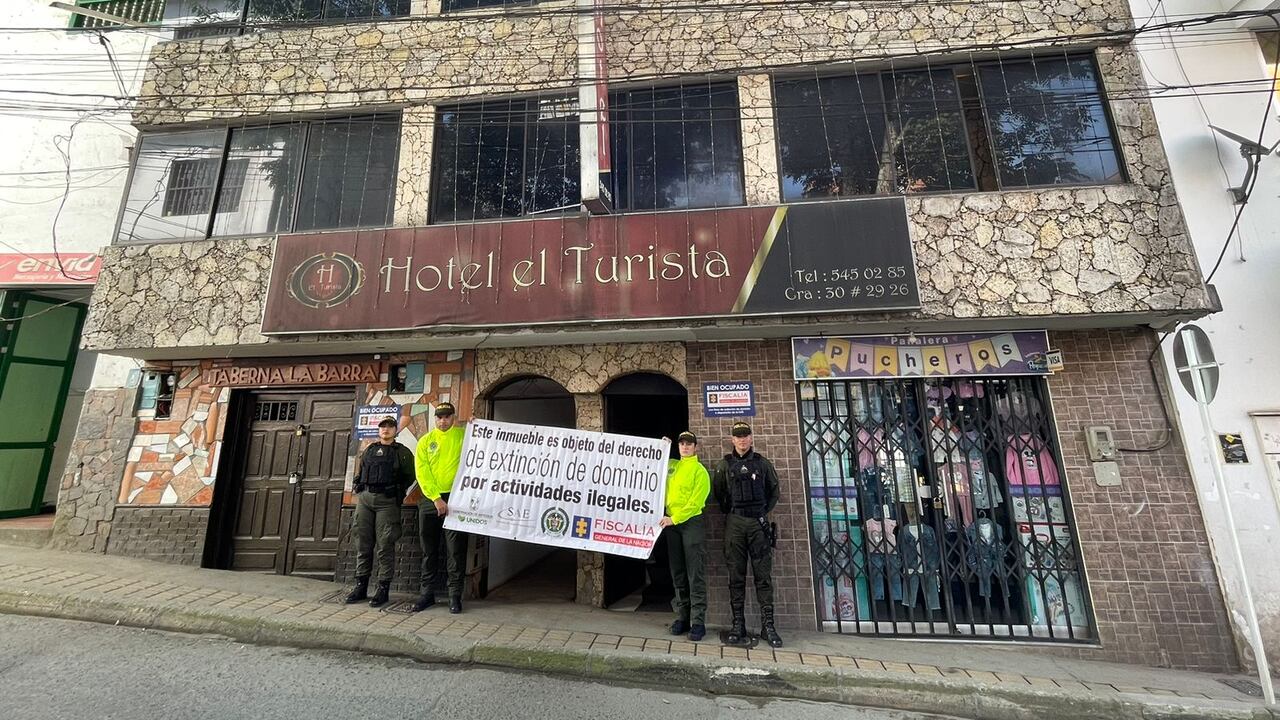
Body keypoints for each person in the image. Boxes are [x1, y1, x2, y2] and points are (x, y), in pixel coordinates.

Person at [711, 421, 783, 647]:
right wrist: (735, 513)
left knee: (763, 576)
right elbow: (719, 493)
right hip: (735, 523)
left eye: (745, 436)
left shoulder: (762, 464)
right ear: (732, 439)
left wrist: (760, 512)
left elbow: (774, 491)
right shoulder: (724, 465)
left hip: (758, 524)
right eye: (738, 436)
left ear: (751, 438)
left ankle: (768, 627)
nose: (742, 440)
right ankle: (738, 624)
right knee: (736, 576)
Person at [345, 416, 415, 608]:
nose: (386, 430)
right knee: (362, 542)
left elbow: (410, 476)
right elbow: (361, 470)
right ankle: (361, 585)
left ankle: (382, 588)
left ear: (395, 430)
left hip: (387, 501)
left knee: (385, 544)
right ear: (379, 430)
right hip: (365, 499)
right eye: (383, 427)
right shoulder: (369, 450)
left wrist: (397, 492)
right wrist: (358, 485)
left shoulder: (403, 452)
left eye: (390, 427)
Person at [413, 402, 467, 614]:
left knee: (456, 551)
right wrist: (436, 498)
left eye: (447, 416)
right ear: (434, 419)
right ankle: (427, 594)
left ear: (453, 417)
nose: (443, 420)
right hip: (430, 500)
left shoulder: (463, 436)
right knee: (429, 550)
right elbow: (422, 472)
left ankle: (455, 595)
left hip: (457, 499)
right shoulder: (426, 441)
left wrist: (476, 426)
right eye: (439, 417)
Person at [661, 431, 711, 642]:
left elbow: (696, 503)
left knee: (695, 573)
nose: (685, 447)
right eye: (681, 443)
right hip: (671, 524)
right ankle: (682, 617)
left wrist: (675, 518)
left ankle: (698, 622)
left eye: (689, 444)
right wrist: (661, 447)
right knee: (678, 572)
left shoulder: (700, 472)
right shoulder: (672, 465)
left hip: (689, 524)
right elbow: (653, 465)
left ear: (695, 447)